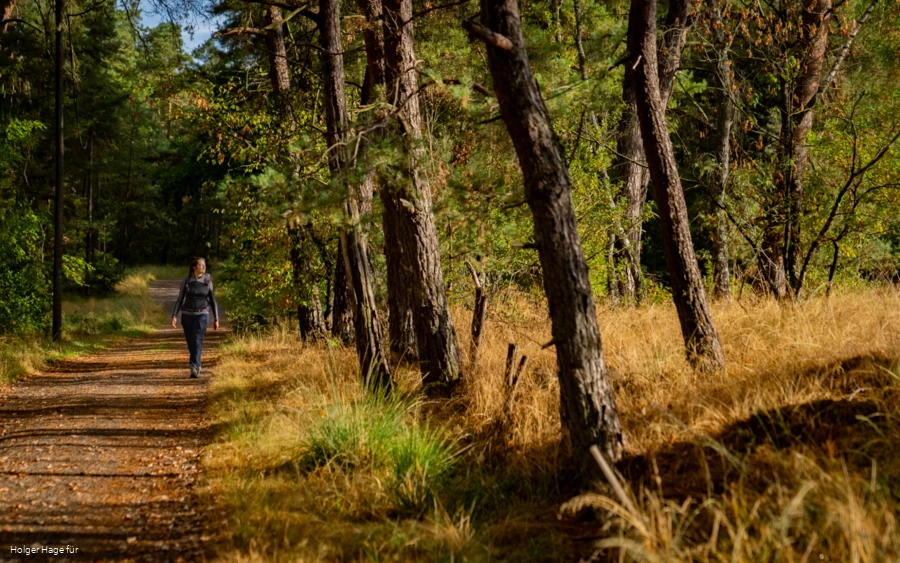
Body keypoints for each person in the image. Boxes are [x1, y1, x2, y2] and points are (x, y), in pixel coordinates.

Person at [171, 257, 219, 378]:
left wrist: (216, 318)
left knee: (197, 339)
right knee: (191, 342)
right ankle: (195, 362)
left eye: (204, 265)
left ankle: (195, 366)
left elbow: (213, 301)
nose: (203, 267)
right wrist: (174, 315)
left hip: (202, 315)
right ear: (194, 267)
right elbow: (180, 299)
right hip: (187, 315)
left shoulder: (208, 281)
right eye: (201, 265)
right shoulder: (187, 281)